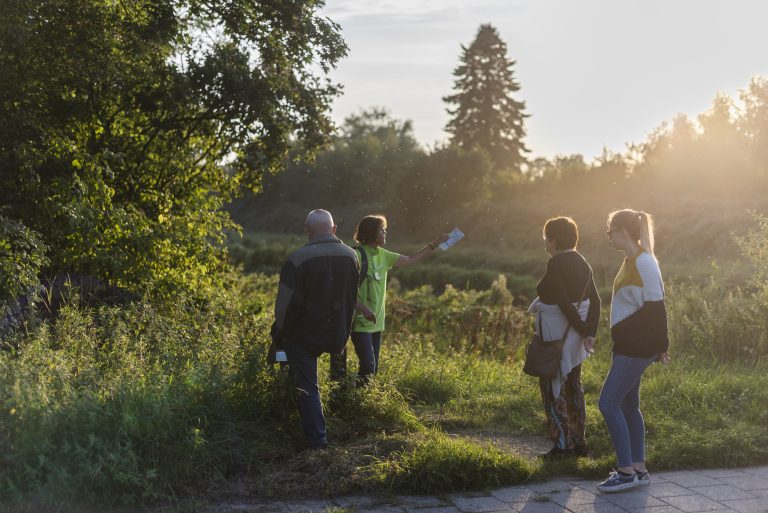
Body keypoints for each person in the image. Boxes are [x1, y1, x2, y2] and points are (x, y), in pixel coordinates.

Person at [272, 209, 360, 449]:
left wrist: (280, 332)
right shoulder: (351, 255)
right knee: (335, 377)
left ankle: (317, 442)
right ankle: (345, 417)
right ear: (333, 230)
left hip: (304, 335)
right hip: (339, 333)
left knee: (308, 388)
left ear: (307, 230)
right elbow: (352, 295)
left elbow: (283, 307)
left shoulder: (298, 259)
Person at [596, 209, 670, 492]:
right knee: (628, 406)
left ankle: (625, 472)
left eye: (609, 231)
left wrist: (662, 346)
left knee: (608, 403)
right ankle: (638, 468)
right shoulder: (631, 260)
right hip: (628, 346)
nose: (608, 236)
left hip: (636, 348)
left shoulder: (645, 262)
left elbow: (657, 306)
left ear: (622, 232)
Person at [330, 215, 449, 386]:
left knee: (373, 369)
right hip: (359, 321)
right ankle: (352, 399)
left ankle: (360, 400)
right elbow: (344, 289)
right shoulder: (355, 255)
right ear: (371, 233)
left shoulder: (384, 255)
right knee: (368, 366)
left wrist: (434, 244)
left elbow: (410, 260)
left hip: (377, 323)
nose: (385, 233)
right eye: (382, 230)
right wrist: (363, 309)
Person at [529, 217, 601, 458]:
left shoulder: (557, 263)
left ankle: (562, 445)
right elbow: (596, 301)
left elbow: (561, 300)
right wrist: (589, 332)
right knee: (574, 385)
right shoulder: (583, 262)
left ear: (554, 239)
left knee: (553, 386)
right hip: (575, 338)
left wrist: (582, 329)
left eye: (546, 238)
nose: (545, 243)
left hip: (558, 336)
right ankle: (579, 442)